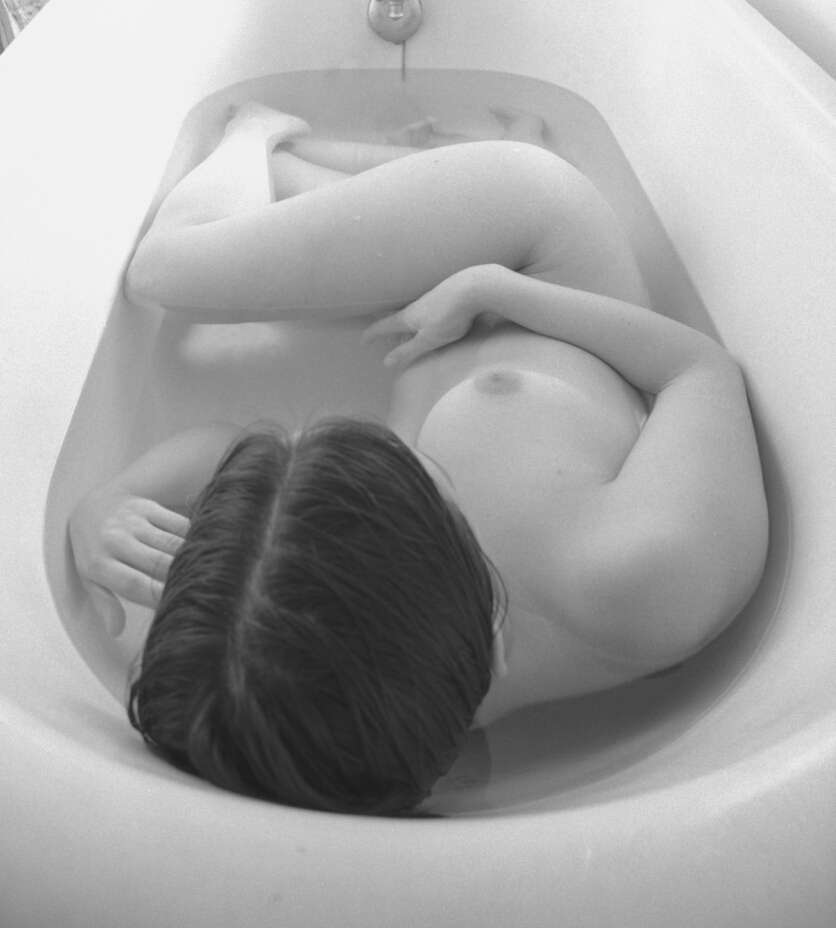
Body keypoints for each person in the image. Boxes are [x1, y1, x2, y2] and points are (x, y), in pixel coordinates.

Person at [69, 102, 768, 815]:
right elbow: (699, 371)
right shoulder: (649, 578)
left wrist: (108, 502)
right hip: (537, 263)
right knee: (223, 244)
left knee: (166, 273)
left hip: (516, 237)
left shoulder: (337, 653)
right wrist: (501, 292)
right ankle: (352, 160)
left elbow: (227, 451)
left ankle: (266, 133)